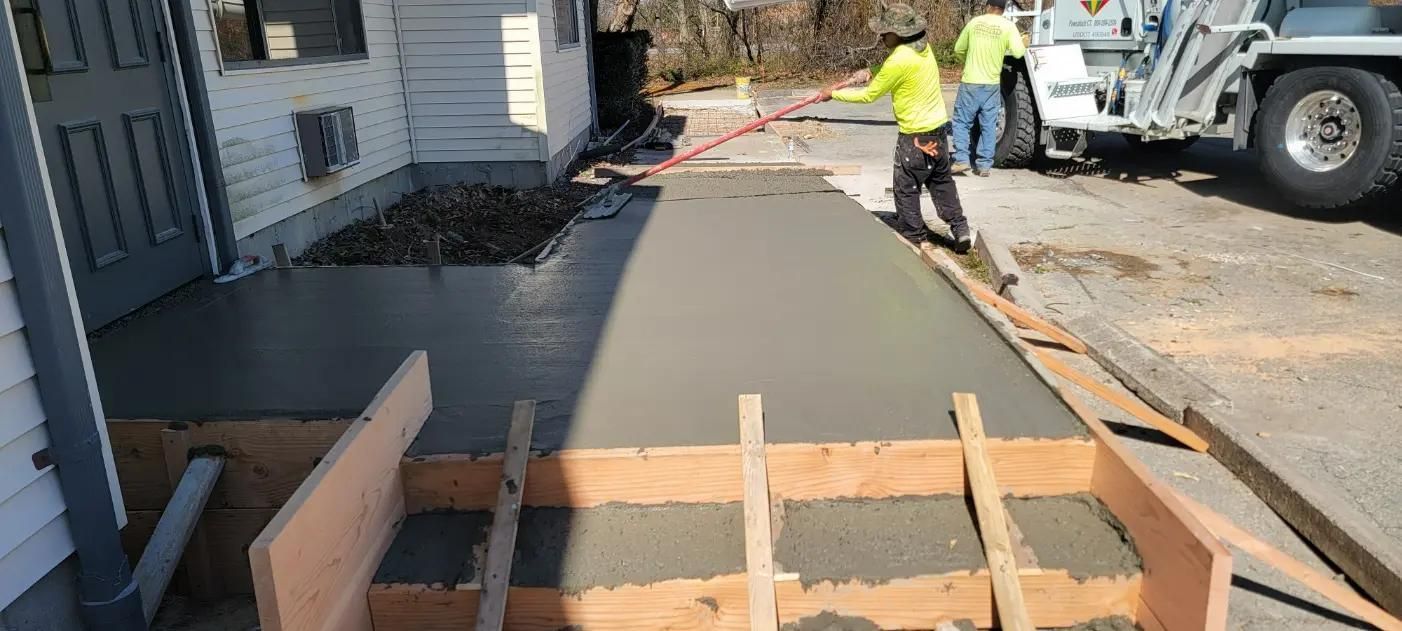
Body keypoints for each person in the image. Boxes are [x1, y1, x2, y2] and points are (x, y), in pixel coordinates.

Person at [818, 3, 971, 253]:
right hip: (938, 134)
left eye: (885, 33)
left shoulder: (899, 60)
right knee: (941, 183)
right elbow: (893, 68)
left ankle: (914, 238)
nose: (881, 37)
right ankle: (960, 228)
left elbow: (869, 96)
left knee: (906, 189)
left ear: (899, 33)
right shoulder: (923, 48)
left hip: (914, 139)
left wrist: (833, 94)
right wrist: (871, 71)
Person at [951, 0, 1026, 176]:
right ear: (1004, 10)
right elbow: (1018, 53)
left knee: (962, 122)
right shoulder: (1008, 27)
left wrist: (967, 61)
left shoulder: (974, 23)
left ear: (987, 6)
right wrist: (1023, 42)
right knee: (988, 124)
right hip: (992, 84)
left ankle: (962, 159)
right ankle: (984, 165)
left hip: (970, 81)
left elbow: (958, 49)